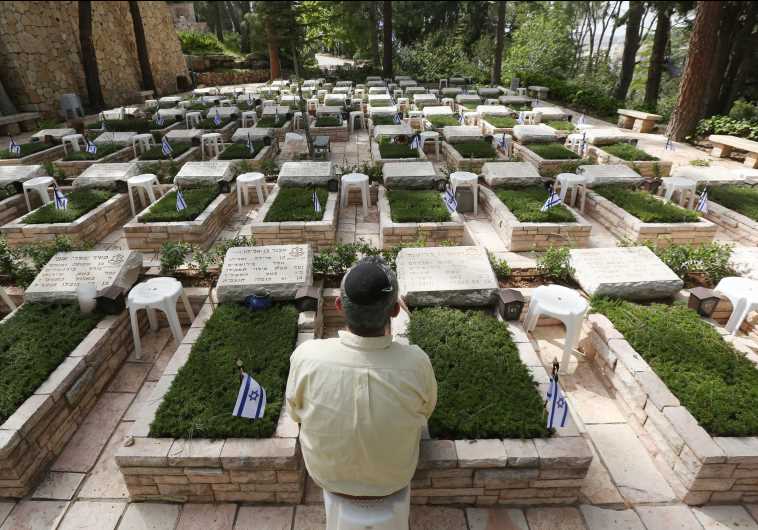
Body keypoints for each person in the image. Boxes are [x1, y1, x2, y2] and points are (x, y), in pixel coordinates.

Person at [286, 256, 437, 530]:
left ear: (340, 305)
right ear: (394, 311)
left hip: (327, 477)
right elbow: (427, 410)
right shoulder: (416, 363)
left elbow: (295, 413)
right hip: (395, 478)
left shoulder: (306, 357)